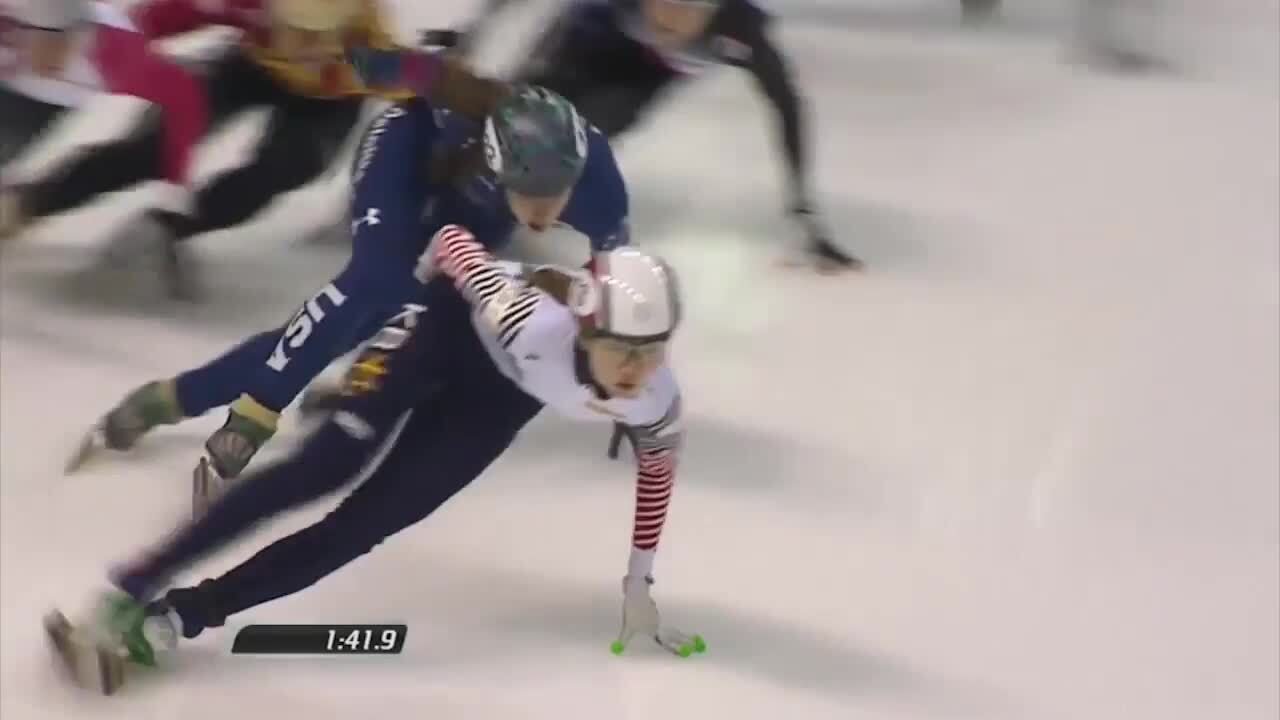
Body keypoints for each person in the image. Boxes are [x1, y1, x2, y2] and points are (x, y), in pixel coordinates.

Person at [46, 237, 704, 695]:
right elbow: (452, 241)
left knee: (361, 528)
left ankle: (177, 619)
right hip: (447, 328)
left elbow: (657, 476)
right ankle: (132, 586)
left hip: (499, 402)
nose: (637, 370)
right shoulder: (527, 316)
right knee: (325, 466)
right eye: (624, 350)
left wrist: (639, 584)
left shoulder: (655, 396)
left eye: (652, 352)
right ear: (587, 330)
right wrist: (389, 345)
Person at [69, 83, 632, 522]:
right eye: (529, 194)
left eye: (555, 195)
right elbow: (400, 75)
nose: (542, 210)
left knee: (396, 317)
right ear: (495, 164)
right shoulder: (457, 125)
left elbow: (615, 298)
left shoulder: (599, 190)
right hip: (406, 153)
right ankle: (253, 414)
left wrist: (611, 370)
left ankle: (171, 398)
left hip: (469, 207)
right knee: (375, 280)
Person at [428, 0, 860, 272]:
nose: (672, 19)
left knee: (585, 132)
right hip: (591, 35)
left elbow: (786, 105)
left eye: (688, 10)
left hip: (648, 74)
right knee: (519, 111)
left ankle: (501, 200)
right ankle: (435, 175)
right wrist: (473, 31)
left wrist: (802, 209)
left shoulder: (740, 25)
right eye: (665, 5)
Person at [86, 0, 418, 297]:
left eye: (317, 36)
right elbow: (164, 16)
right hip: (253, 64)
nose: (306, 45)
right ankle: (44, 198)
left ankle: (172, 228)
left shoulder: (365, 48)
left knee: (290, 165)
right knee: (158, 138)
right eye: (297, 32)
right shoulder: (251, 10)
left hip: (328, 99)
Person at [0, 0, 205, 264]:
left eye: (59, 45)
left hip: (40, 101)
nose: (49, 56)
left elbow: (184, 96)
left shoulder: (120, 58)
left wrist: (176, 187)